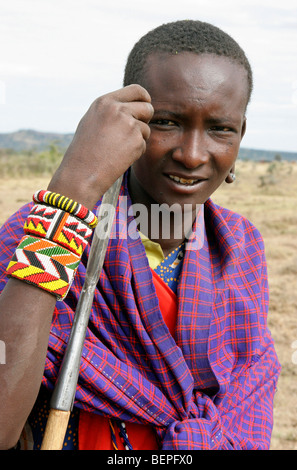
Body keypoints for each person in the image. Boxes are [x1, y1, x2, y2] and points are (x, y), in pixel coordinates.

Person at [0, 19, 281, 450]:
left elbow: (247, 398)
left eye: (220, 128)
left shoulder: (241, 247)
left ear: (240, 135)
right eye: (167, 122)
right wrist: (72, 191)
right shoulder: (40, 234)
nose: (191, 155)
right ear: (130, 124)